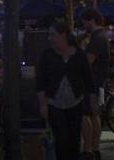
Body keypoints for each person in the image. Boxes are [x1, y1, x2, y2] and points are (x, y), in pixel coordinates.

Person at [36, 21, 96, 160]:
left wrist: (93, 101)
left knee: (74, 138)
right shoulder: (48, 55)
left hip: (75, 102)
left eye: (53, 34)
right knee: (61, 138)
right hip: (55, 103)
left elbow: (88, 79)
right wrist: (43, 104)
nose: (49, 38)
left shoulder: (78, 54)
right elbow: (40, 82)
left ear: (62, 35)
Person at [80, 8, 110, 160]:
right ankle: (95, 148)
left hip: (91, 82)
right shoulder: (101, 36)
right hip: (99, 81)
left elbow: (88, 61)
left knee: (85, 115)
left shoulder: (97, 39)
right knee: (94, 114)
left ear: (91, 20)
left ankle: (88, 149)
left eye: (84, 22)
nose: (84, 25)